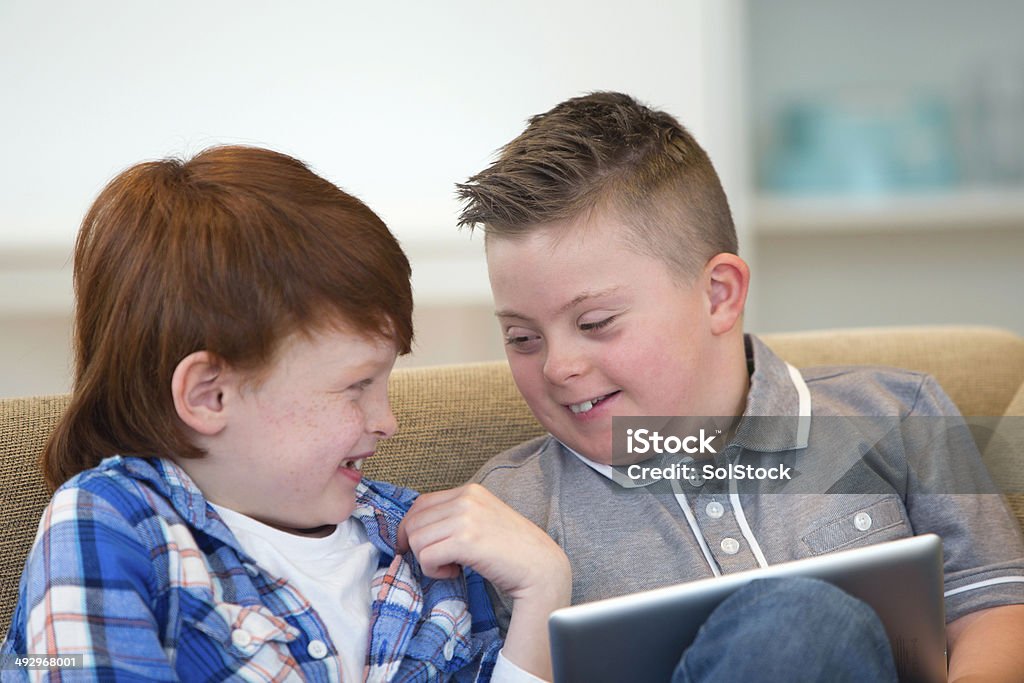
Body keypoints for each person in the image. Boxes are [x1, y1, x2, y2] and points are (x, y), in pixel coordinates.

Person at [455, 92, 1024, 681]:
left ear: (719, 295)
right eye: (522, 338)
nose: (557, 367)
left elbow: (996, 614)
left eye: (595, 323)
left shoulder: (896, 416)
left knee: (795, 621)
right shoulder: (507, 514)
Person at [1, 146, 569, 682]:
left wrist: (544, 591)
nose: (386, 420)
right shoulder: (110, 525)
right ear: (209, 395)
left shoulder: (416, 543)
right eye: (356, 386)